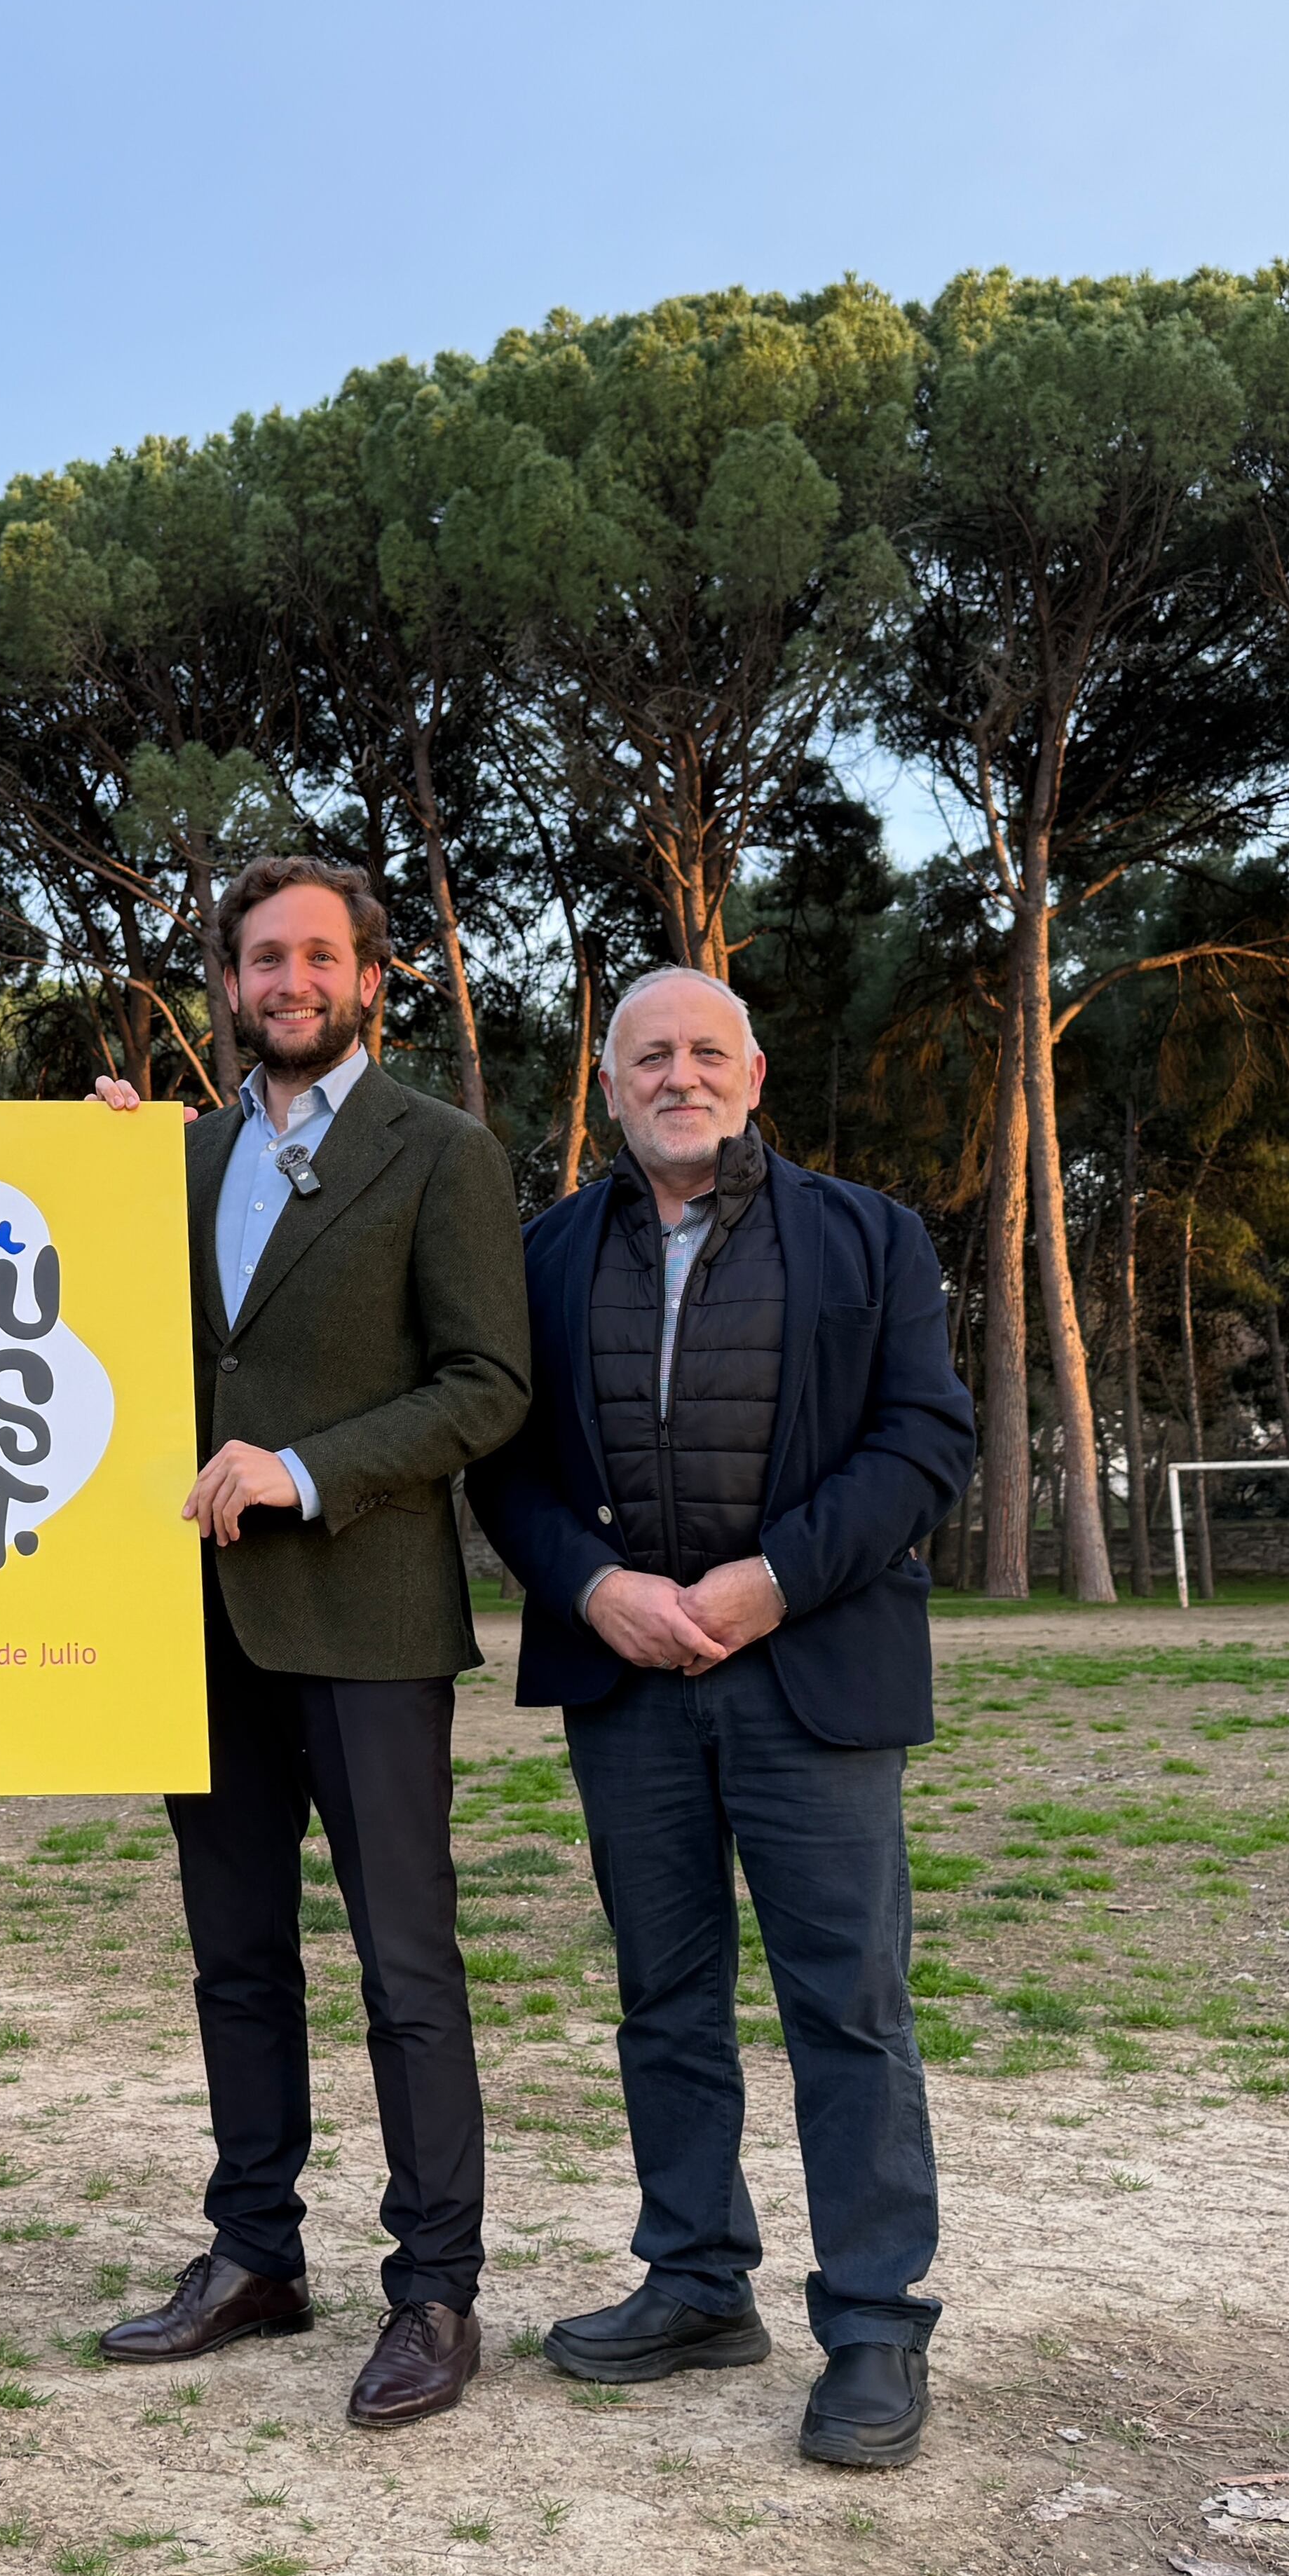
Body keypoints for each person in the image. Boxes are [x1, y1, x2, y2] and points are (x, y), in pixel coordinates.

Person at [465, 966, 975, 2471]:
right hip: (629, 1682)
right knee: (664, 2003)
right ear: (608, 1087)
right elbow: (502, 1466)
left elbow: (922, 1440)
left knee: (848, 2009)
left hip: (806, 1677)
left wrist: (772, 1581)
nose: (677, 1076)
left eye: (705, 1053)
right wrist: (594, 1585)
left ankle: (873, 2325)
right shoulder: (544, 1253)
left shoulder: (869, 1239)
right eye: (646, 1057)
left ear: (752, 1077)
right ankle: (696, 2282)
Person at [83, 854, 530, 2432]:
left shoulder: (443, 1154)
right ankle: (253, 2255)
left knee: (406, 1964)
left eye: (317, 957)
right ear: (228, 981)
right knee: (235, 1962)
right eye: (260, 957)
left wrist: (307, 1469)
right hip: (190, 1629)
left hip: (367, 1611)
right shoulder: (178, 1156)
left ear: (370, 979)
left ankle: (435, 2289)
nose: (288, 982)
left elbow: (488, 1383)